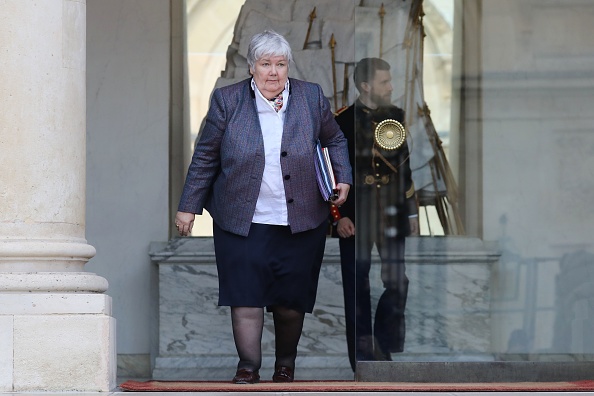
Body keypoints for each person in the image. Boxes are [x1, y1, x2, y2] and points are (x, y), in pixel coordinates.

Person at [175, 30, 352, 384]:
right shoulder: (228, 100)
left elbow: (335, 138)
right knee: (246, 297)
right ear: (251, 67)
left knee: (290, 301)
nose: (274, 72)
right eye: (266, 63)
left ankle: (285, 366)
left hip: (300, 219)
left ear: (289, 67)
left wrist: (342, 178)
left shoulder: (311, 96)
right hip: (242, 220)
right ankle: (248, 367)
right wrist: (188, 206)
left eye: (281, 64)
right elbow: (206, 156)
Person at [332, 57, 419, 372]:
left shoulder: (394, 118)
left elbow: (404, 169)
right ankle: (363, 360)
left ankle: (382, 344)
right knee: (357, 288)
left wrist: (411, 211)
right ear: (366, 86)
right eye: (385, 82)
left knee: (398, 281)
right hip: (355, 216)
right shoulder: (341, 122)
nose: (391, 87)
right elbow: (328, 175)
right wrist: (336, 216)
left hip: (390, 213)